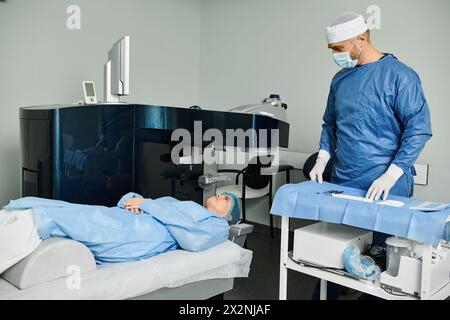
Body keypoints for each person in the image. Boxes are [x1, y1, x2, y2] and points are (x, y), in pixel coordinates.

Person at [309, 12, 432, 300]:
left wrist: (392, 173)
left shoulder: (400, 76)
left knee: (382, 262)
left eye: (339, 49)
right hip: (345, 178)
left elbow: (418, 129)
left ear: (360, 40)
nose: (335, 56)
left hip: (386, 184)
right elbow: (331, 123)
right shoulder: (340, 79)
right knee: (335, 254)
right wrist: (323, 157)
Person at [0, 192, 241, 274]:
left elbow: (193, 239)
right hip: (133, 220)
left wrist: (146, 205)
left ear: (228, 215)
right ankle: (16, 216)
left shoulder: (219, 227)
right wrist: (133, 201)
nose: (221, 196)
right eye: (222, 194)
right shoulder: (187, 205)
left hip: (146, 233)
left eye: (227, 200)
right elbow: (147, 201)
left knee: (55, 218)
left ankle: (22, 226)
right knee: (59, 208)